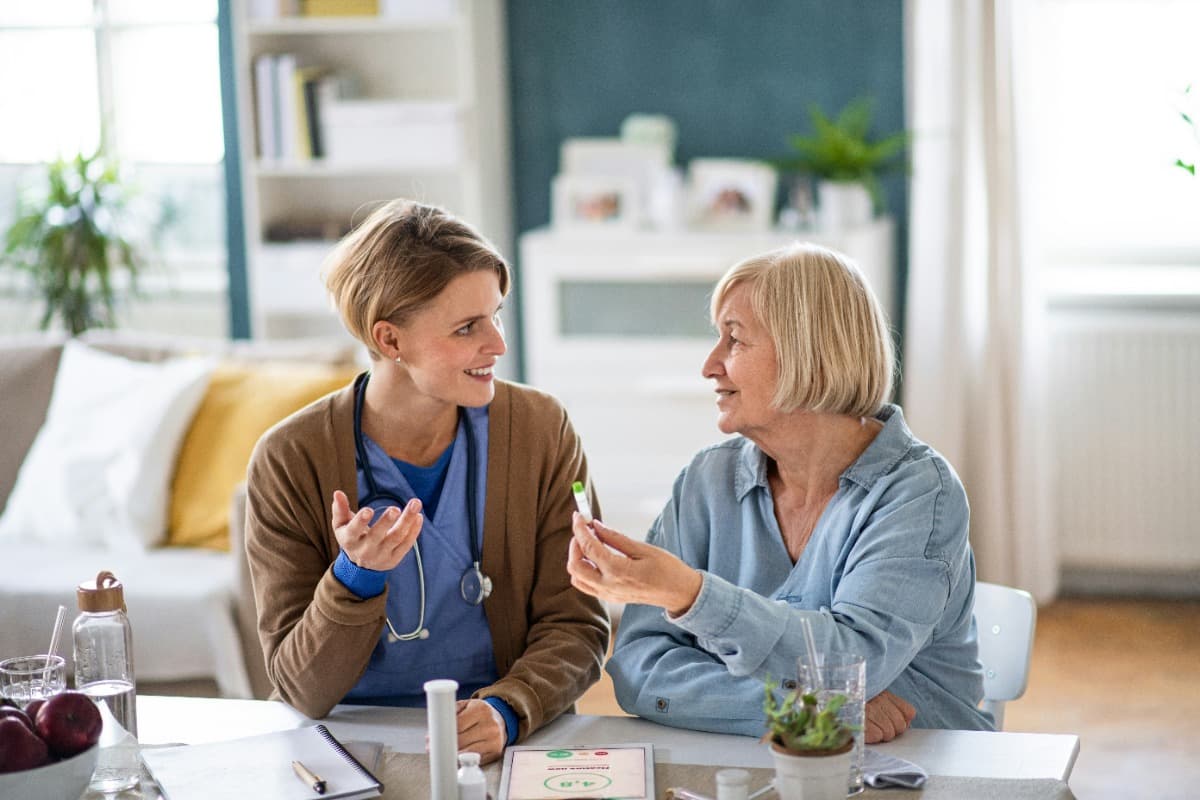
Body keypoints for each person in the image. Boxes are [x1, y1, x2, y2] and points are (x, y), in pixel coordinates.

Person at [566, 243, 993, 743]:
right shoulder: (707, 482)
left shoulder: (919, 494)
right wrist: (805, 713)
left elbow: (853, 666)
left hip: (919, 770)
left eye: (735, 340)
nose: (709, 365)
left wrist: (690, 594)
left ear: (807, 351)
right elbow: (640, 669)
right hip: (763, 763)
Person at [245, 199, 609, 764]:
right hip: (345, 744)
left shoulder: (540, 430)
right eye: (468, 328)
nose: (498, 345)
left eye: (496, 315)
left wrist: (510, 708)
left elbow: (578, 621)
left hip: (501, 733)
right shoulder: (290, 459)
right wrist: (355, 576)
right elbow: (302, 690)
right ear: (390, 341)